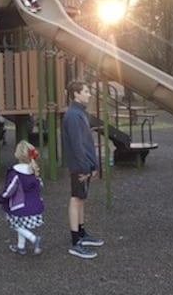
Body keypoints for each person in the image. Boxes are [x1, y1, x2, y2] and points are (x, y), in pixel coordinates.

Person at [61, 80, 104, 259]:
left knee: (81, 199)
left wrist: (94, 164)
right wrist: (85, 167)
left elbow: (86, 142)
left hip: (85, 164)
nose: (89, 94)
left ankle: (82, 233)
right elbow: (77, 145)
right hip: (79, 166)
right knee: (76, 199)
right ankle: (75, 242)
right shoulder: (72, 115)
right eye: (86, 91)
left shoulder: (79, 113)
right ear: (76, 94)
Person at [0, 140, 44, 256]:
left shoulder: (15, 172)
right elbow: (40, 186)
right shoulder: (33, 171)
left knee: (15, 225)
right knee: (20, 224)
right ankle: (20, 246)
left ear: (17, 154)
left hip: (19, 206)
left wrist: (1, 198)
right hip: (35, 205)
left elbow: (10, 190)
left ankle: (33, 238)